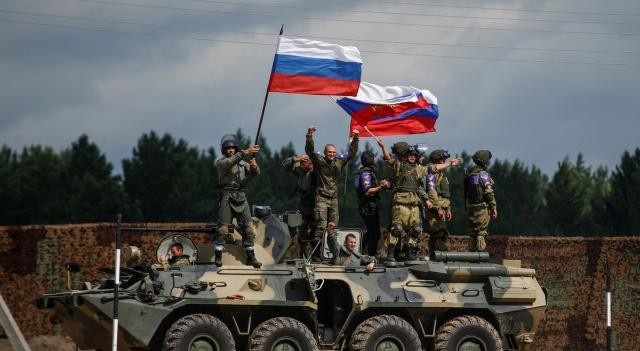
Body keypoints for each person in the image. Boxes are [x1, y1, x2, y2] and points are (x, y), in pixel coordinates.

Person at [305, 125, 359, 260]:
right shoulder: (319, 161)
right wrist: (309, 135)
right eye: (330, 152)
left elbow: (351, 154)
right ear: (325, 152)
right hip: (322, 197)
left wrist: (356, 139)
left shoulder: (339, 161)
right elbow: (309, 151)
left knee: (333, 227)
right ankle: (316, 254)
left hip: (334, 198)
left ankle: (332, 254)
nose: (332, 154)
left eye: (334, 152)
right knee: (321, 226)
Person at [377, 140, 430, 263]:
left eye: (415, 155)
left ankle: (407, 252)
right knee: (396, 229)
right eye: (409, 155)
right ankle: (392, 253)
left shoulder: (418, 169)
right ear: (404, 156)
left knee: (415, 230)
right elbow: (389, 160)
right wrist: (383, 147)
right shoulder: (399, 166)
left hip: (413, 204)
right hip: (400, 204)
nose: (413, 157)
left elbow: (431, 170)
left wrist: (449, 164)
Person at [214, 134, 262, 268]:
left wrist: (253, 166)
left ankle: (251, 256)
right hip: (227, 196)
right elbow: (230, 162)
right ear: (224, 150)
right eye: (228, 148)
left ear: (235, 149)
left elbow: (255, 174)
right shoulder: (221, 162)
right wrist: (246, 152)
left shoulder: (242, 163)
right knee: (223, 229)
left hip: (241, 197)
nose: (230, 150)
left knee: (248, 228)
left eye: (232, 148)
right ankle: (218, 255)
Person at [424, 149, 462, 256]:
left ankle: (434, 257)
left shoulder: (441, 174)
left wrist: (448, 209)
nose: (445, 161)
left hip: (442, 208)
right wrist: (438, 208)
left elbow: (445, 194)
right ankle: (442, 256)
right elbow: (432, 193)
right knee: (440, 233)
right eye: (443, 160)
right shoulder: (431, 174)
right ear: (437, 161)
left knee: (435, 234)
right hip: (434, 209)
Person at [282, 154, 317, 258]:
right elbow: (285, 165)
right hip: (304, 204)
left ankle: (315, 254)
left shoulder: (316, 171)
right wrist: (296, 159)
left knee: (316, 231)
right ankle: (303, 253)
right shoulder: (300, 171)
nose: (308, 164)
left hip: (316, 205)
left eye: (310, 162)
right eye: (305, 162)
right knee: (302, 232)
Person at [355, 150, 389, 256]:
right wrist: (381, 187)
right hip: (368, 206)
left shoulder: (366, 172)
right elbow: (368, 191)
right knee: (374, 232)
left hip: (368, 206)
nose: (373, 160)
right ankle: (371, 254)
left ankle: (360, 250)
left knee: (372, 231)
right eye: (371, 158)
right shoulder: (365, 173)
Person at [465, 150, 498, 251]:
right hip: (482, 207)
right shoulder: (483, 175)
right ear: (484, 162)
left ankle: (471, 255)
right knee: (481, 232)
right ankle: (480, 256)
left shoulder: (470, 174)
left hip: (471, 207)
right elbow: (488, 192)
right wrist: (493, 207)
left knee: (473, 233)